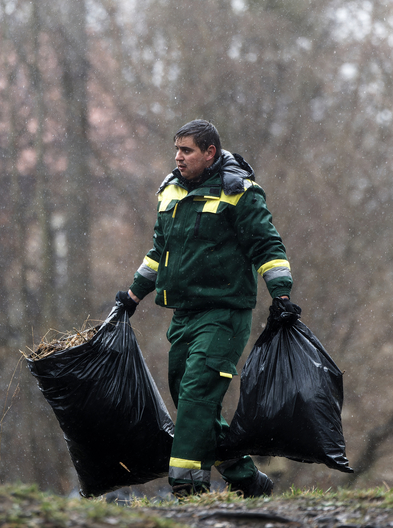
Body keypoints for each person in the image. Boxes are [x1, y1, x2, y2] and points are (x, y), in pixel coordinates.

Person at [116, 119, 299, 498]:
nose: (178, 158)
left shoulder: (240, 193)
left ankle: (187, 487)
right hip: (184, 315)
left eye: (187, 151)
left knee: (198, 393)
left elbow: (267, 247)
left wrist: (280, 295)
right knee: (188, 398)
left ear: (210, 153)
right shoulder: (170, 193)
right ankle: (246, 478)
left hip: (225, 314)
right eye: (176, 150)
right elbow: (157, 254)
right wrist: (133, 296)